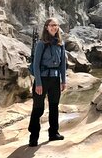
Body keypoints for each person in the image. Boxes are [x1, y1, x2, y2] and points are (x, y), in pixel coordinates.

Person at [28, 18, 67, 147]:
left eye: (56, 25)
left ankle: (53, 133)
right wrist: (38, 83)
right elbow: (36, 64)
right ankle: (33, 137)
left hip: (55, 79)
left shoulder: (61, 43)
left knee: (54, 106)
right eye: (51, 25)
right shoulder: (41, 43)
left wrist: (63, 81)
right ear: (46, 27)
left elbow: (63, 64)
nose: (54, 27)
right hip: (42, 79)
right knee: (38, 108)